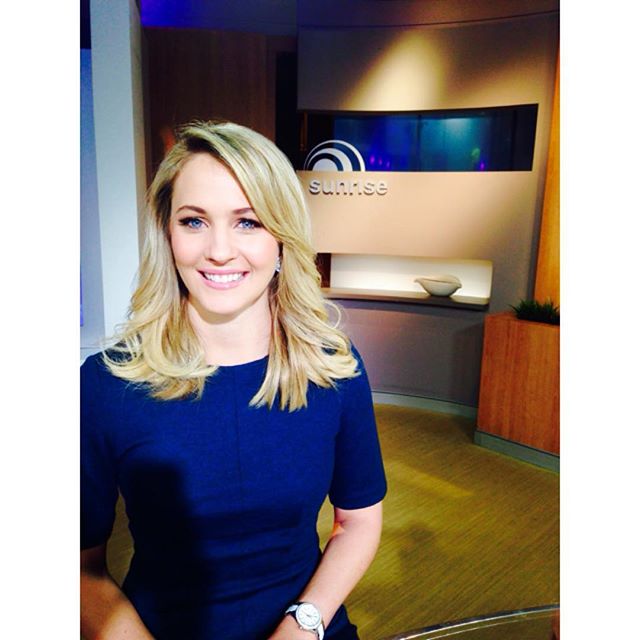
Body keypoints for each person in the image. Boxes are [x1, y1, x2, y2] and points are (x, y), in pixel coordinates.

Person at [80, 121, 387, 640]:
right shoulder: (106, 385)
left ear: (282, 238)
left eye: (247, 222)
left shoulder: (333, 369)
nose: (219, 250)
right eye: (194, 221)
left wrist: (303, 625)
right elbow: (77, 568)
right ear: (167, 234)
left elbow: (357, 522)